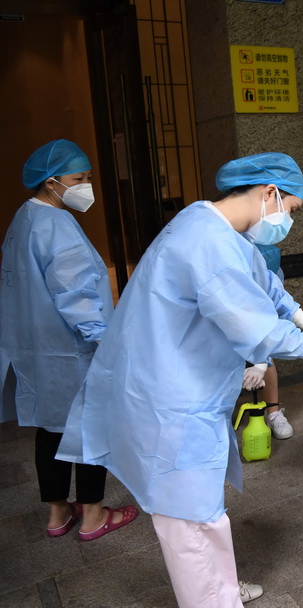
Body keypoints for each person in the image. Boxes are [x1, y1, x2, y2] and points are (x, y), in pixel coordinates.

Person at [56, 152, 303, 607]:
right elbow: (249, 321)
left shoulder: (210, 225)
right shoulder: (207, 242)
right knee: (189, 523)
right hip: (169, 404)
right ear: (269, 193)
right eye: (291, 210)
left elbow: (262, 283)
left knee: (205, 515)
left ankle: (222, 591)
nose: (288, 221)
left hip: (184, 394)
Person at [0, 139, 138, 541]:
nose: (86, 187)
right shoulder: (55, 225)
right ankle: (94, 517)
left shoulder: (24, 218)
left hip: (37, 350)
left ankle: (58, 513)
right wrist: (104, 340)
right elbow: (75, 294)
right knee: (90, 427)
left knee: (52, 428)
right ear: (51, 182)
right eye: (79, 179)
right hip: (70, 349)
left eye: (89, 178)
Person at [241, 242, 293, 439]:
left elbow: (271, 326)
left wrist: (261, 362)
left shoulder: (268, 261)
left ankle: (273, 412)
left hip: (263, 266)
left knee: (266, 353)